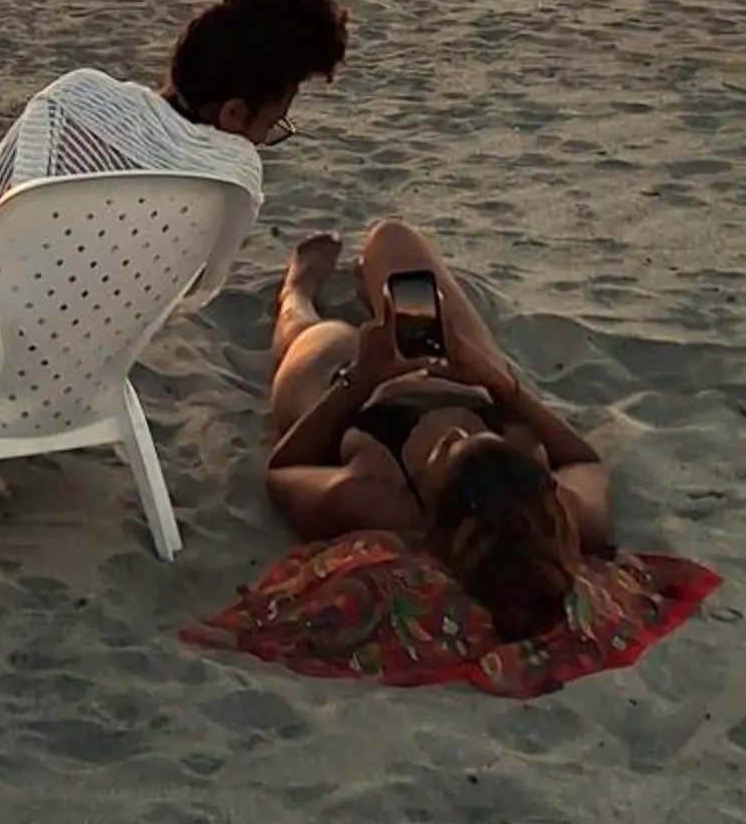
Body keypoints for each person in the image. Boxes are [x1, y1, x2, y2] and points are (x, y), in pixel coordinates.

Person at [0, 0, 351, 432]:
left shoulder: (74, 100)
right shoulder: (232, 180)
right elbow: (192, 290)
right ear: (233, 114)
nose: (267, 136)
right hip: (77, 376)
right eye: (275, 123)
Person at [261, 219, 612, 641]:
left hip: (361, 399)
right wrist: (499, 385)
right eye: (487, 441)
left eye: (452, 448)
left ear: (433, 505)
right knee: (391, 238)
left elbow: (281, 469)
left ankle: (296, 290)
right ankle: (376, 298)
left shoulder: (373, 497)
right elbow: (584, 460)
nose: (457, 433)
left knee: (311, 333)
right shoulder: (559, 511)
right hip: (464, 377)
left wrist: (361, 378)